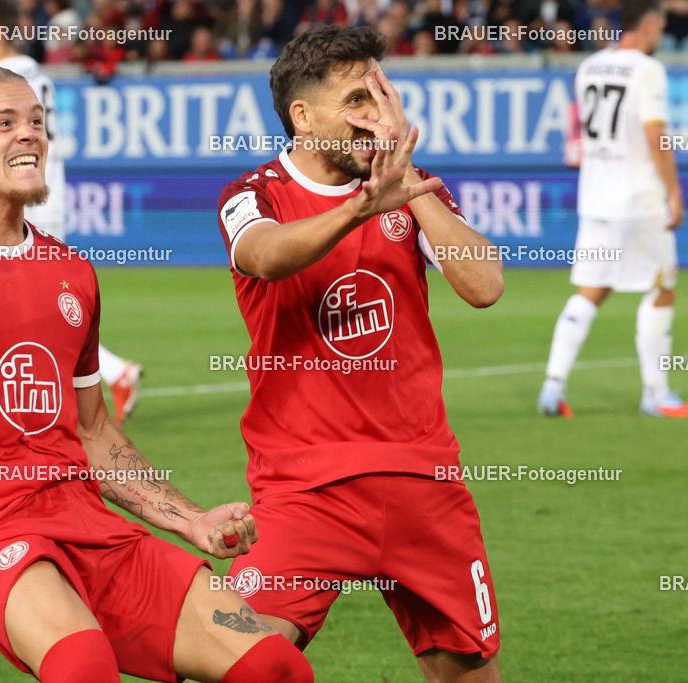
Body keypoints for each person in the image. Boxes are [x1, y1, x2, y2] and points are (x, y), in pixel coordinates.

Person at [0, 66, 313, 683]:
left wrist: (190, 519)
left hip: (90, 526)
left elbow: (96, 434)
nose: (30, 135)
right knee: (82, 665)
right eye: (4, 123)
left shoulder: (72, 272)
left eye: (37, 122)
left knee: (275, 667)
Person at [216, 25, 504, 682]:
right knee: (239, 659)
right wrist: (357, 210)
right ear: (304, 116)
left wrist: (406, 185)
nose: (377, 117)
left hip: (423, 485)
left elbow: (484, 285)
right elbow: (263, 255)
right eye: (357, 101)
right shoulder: (254, 194)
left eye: (382, 96)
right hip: (306, 491)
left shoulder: (411, 188)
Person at [0, 0, 142, 427]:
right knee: (25, 303)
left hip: (21, 199)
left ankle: (77, 385)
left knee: (7, 302)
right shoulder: (36, 74)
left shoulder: (2, 81)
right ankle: (105, 377)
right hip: (44, 195)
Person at [537, 0, 688, 419]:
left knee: (592, 289)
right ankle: (657, 393)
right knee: (661, 284)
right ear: (649, 25)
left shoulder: (589, 66)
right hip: (638, 198)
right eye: (661, 27)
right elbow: (655, 136)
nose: (661, 35)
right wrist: (674, 193)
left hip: (595, 197)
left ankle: (552, 387)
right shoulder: (648, 70)